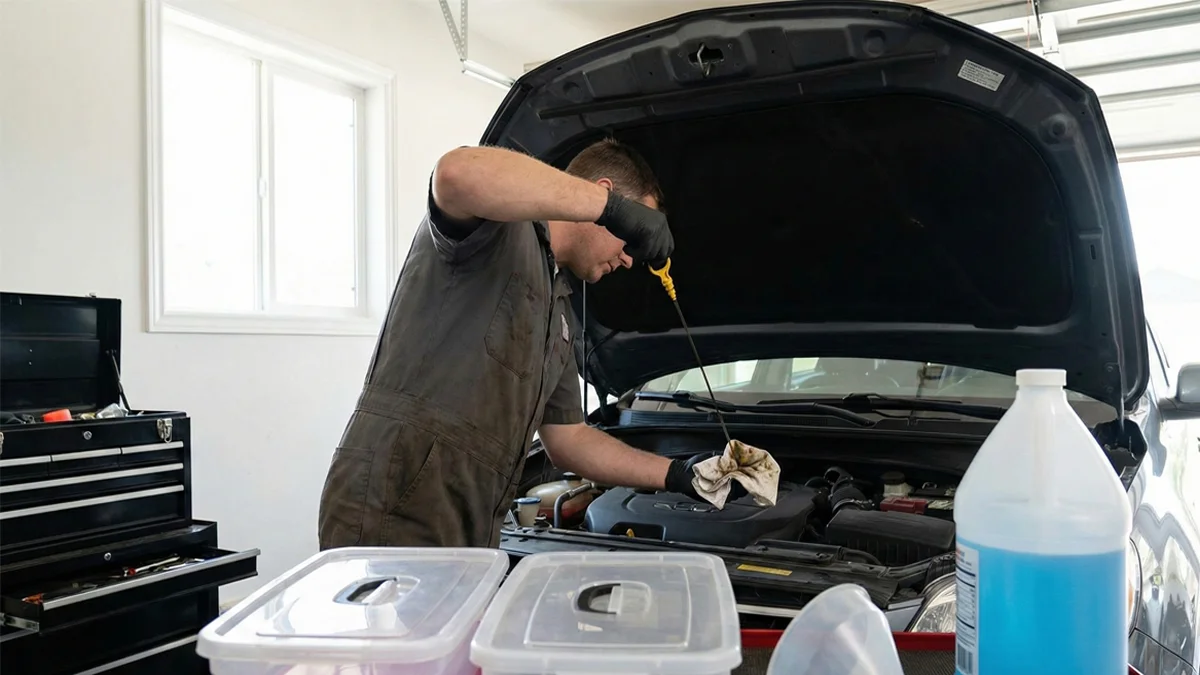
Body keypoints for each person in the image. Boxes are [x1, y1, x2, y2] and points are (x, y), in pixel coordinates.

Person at [317, 139, 731, 549]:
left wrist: (679, 474)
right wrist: (613, 210)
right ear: (603, 194)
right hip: (396, 501)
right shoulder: (496, 229)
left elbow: (570, 440)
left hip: (473, 517)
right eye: (631, 235)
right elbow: (455, 173)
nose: (630, 259)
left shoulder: (561, 314)